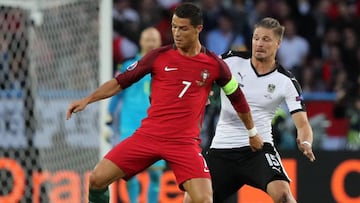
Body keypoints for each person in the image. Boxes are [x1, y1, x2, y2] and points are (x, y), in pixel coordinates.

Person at [66, 3, 261, 203]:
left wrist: (252, 133)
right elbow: (120, 82)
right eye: (174, 27)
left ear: (198, 29)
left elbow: (237, 96)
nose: (176, 32)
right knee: (97, 179)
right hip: (149, 135)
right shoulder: (158, 57)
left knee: (203, 199)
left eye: (183, 28)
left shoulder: (214, 65)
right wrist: (87, 100)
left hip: (184, 143)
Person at [206, 17, 316, 203]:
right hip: (222, 148)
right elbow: (203, 71)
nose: (259, 44)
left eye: (266, 39)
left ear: (278, 43)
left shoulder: (286, 81)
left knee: (284, 196)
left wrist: (306, 142)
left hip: (258, 149)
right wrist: (205, 89)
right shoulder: (231, 60)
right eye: (256, 38)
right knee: (193, 199)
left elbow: (303, 123)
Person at [108, 27, 166, 203]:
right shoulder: (127, 66)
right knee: (129, 172)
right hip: (130, 124)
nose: (151, 43)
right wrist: (109, 117)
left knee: (156, 174)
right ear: (140, 42)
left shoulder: (166, 66)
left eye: (154, 39)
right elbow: (117, 92)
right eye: (147, 39)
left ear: (160, 43)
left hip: (156, 125)